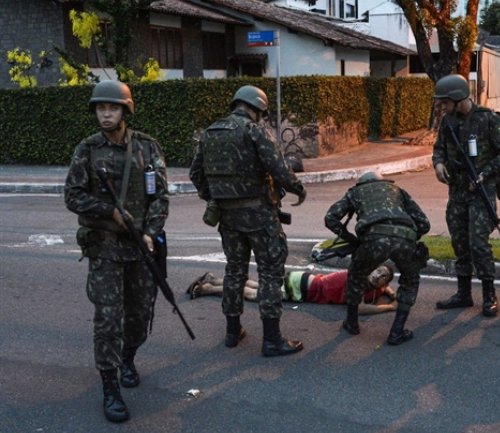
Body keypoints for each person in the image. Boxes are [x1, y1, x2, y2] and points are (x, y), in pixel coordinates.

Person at [64, 80, 169, 423]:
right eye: (101, 108)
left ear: (125, 110)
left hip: (140, 249)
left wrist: (151, 233)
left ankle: (128, 357)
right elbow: (73, 196)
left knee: (139, 317)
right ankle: (110, 389)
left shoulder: (147, 148)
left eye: (112, 108)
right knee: (108, 321)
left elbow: (160, 197)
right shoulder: (87, 150)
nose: (106, 114)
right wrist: (109, 212)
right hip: (105, 248)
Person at [189, 84, 307, 357]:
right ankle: (272, 339)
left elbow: (196, 173)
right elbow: (278, 167)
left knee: (234, 270)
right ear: (257, 109)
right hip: (259, 215)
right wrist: (298, 188)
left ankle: (233, 332)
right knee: (269, 273)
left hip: (228, 218)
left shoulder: (210, 133)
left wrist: (214, 196)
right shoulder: (254, 131)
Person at [431, 74, 500, 317]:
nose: (442, 107)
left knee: (478, 244)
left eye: (445, 102)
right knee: (460, 243)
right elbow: (438, 149)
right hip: (457, 192)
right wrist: (438, 165)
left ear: (457, 98)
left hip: (481, 193)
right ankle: (463, 293)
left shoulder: (488, 119)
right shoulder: (448, 122)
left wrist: (484, 174)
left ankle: (489, 295)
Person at [324, 171, 430, 345]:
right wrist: (409, 237)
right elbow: (424, 224)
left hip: (374, 239)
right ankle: (397, 332)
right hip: (405, 239)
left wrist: (352, 239)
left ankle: (352, 323)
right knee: (410, 281)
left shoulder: (355, 192)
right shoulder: (397, 190)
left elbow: (330, 218)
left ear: (362, 184)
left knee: (356, 276)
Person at [186, 265, 398, 315]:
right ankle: (207, 289)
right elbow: (358, 308)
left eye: (383, 277)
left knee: (256, 285)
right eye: (378, 271)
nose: (378, 276)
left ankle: (215, 280)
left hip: (303, 280)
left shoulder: (373, 288)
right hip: (302, 288)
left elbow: (380, 289)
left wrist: (388, 291)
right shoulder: (358, 279)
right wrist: (388, 308)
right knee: (254, 295)